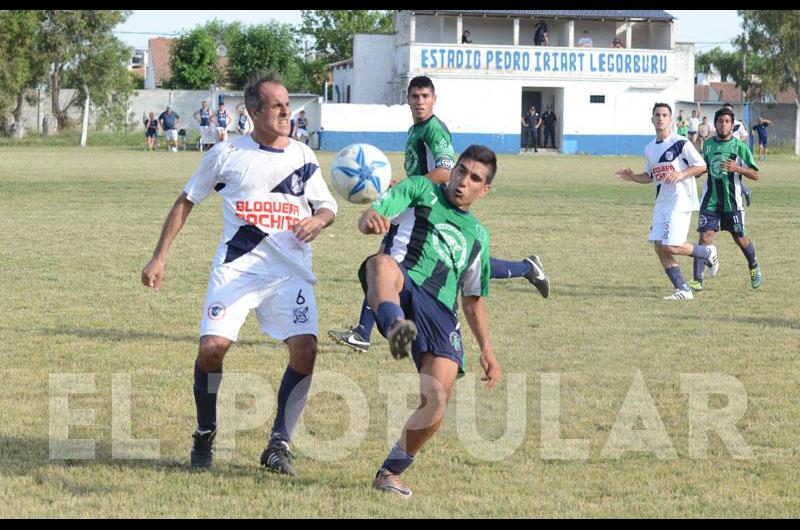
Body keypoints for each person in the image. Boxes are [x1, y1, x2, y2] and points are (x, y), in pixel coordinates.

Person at [140, 72, 338, 475]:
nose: (287, 111)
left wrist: (318, 221)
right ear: (252, 112)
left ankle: (279, 444)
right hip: (238, 270)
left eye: (288, 104)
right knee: (211, 348)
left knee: (306, 350)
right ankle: (205, 432)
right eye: (277, 105)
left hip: (289, 274)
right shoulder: (226, 153)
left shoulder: (303, 156)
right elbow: (185, 201)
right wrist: (159, 256)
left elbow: (327, 207)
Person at [328, 75, 549, 353]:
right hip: (418, 199)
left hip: (430, 204)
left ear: (434, 99)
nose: (419, 102)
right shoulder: (416, 129)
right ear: (407, 99)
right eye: (415, 96)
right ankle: (528, 267)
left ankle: (364, 332)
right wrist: (405, 185)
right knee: (422, 258)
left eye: (425, 96)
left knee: (398, 258)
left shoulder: (434, 130)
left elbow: (445, 172)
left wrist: (413, 187)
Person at [362, 144, 502, 499]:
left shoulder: (478, 236)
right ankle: (396, 328)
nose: (462, 182)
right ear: (452, 169)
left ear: (484, 190)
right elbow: (376, 212)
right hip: (403, 280)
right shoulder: (419, 190)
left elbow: (472, 298)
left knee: (437, 398)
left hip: (440, 312)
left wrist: (486, 348)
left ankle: (390, 472)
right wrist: (370, 218)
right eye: (461, 171)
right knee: (379, 264)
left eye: (474, 179)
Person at [616, 102, 716, 301]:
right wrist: (633, 177)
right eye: (657, 115)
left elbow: (701, 166)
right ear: (652, 119)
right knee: (659, 245)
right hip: (662, 202)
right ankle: (683, 289)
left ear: (670, 120)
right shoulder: (650, 148)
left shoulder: (681, 143)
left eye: (664, 115)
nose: (660, 119)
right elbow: (651, 175)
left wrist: (680, 174)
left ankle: (706, 252)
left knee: (671, 245)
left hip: (681, 200)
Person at [690, 106, 762, 291]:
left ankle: (753, 266)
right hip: (710, 201)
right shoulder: (708, 145)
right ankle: (697, 280)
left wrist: (737, 168)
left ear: (732, 125)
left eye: (727, 122)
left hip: (733, 203)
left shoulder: (740, 147)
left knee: (740, 238)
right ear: (715, 124)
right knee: (704, 238)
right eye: (720, 121)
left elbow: (755, 174)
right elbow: (702, 167)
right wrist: (697, 171)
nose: (723, 125)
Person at [722, 102, 753, 206]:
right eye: (726, 110)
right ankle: (744, 193)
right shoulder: (720, 123)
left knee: (732, 176)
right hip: (722, 154)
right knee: (726, 177)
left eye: (729, 110)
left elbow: (745, 136)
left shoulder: (737, 124)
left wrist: (737, 144)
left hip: (735, 155)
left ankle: (740, 199)